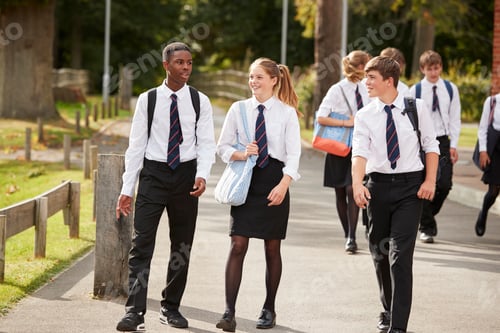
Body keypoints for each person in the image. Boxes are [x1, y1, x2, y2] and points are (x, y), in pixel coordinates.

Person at [115, 42, 216, 331]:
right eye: (180, 62)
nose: (186, 67)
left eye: (189, 63)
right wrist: (127, 188)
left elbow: (206, 143)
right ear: (166, 65)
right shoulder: (148, 100)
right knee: (141, 244)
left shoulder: (200, 101)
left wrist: (202, 175)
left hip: (186, 177)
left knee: (181, 246)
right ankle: (134, 313)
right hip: (154, 175)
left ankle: (171, 307)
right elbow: (136, 146)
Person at [352, 56, 439, 333]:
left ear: (389, 81)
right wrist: (357, 184)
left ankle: (398, 327)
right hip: (376, 187)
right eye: (366, 77)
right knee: (379, 253)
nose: (366, 82)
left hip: (410, 189)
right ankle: (387, 308)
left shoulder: (417, 108)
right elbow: (359, 154)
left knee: (400, 257)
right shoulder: (365, 115)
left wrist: (430, 181)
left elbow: (431, 146)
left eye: (371, 77)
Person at [215, 57, 301, 332]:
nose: (253, 82)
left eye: (259, 77)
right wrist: (242, 153)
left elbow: (293, 155)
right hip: (247, 181)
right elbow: (223, 147)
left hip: (275, 182)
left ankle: (269, 308)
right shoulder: (238, 109)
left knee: (272, 248)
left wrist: (284, 185)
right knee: (237, 244)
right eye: (251, 77)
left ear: (274, 80)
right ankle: (229, 312)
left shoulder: (287, 113)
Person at [316, 50, 370, 253]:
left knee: (351, 188)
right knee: (340, 191)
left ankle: (352, 236)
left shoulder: (368, 88)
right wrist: (346, 122)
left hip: (361, 146)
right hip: (339, 147)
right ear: (360, 67)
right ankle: (348, 232)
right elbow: (321, 117)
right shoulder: (337, 89)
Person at [409, 50, 461, 243]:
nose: (433, 72)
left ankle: (427, 214)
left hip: (443, 140)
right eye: (429, 68)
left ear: (441, 67)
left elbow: (455, 117)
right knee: (423, 181)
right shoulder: (415, 90)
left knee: (445, 184)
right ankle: (427, 227)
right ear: (423, 69)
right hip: (421, 142)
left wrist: (454, 144)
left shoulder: (449, 88)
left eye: (437, 68)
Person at [475, 94, 500, 236]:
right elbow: (483, 127)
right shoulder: (492, 101)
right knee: (493, 191)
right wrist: (483, 151)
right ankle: (483, 212)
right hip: (495, 150)